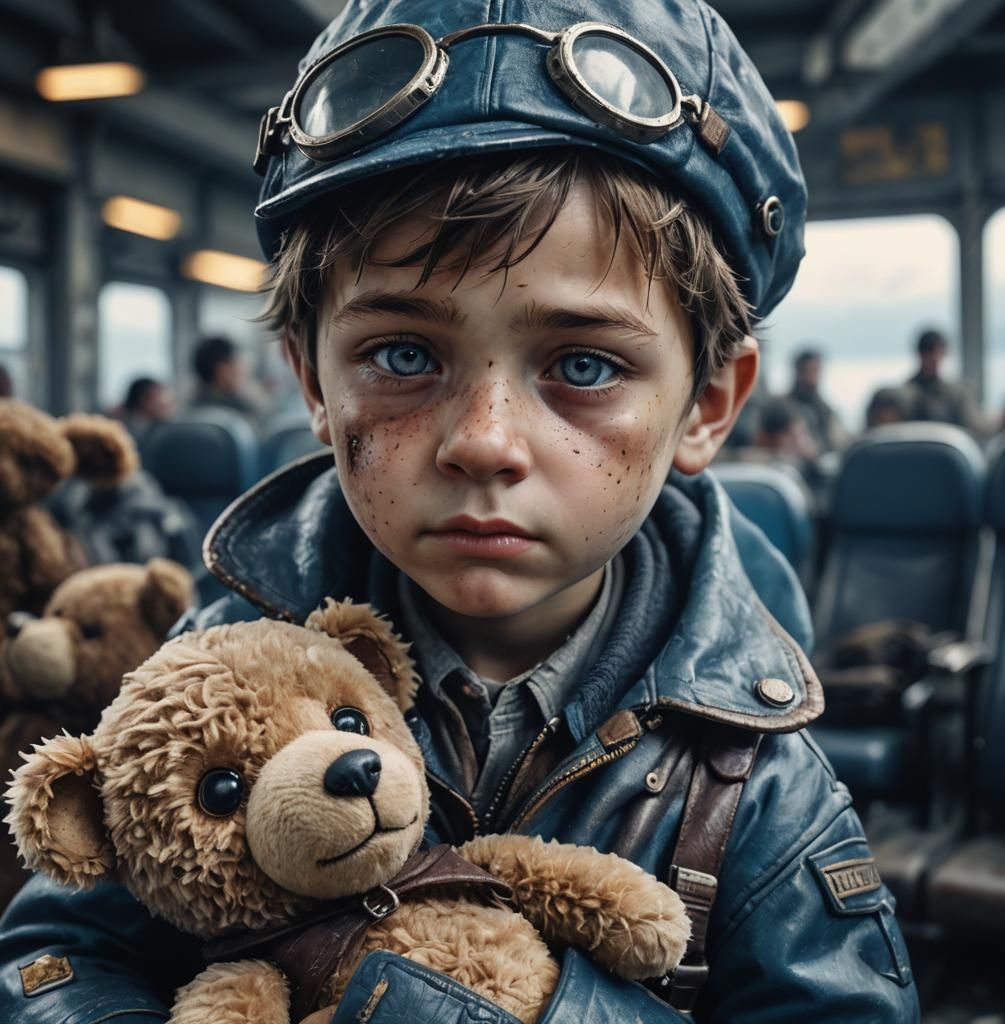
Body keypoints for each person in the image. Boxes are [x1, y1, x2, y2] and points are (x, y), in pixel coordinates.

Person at [0, 3, 918, 1023]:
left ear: (705, 405)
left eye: (582, 365)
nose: (483, 439)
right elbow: (60, 950)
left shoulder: (747, 774)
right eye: (403, 355)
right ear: (314, 380)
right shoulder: (219, 662)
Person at [903, 328, 986, 433]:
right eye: (930, 353)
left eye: (939, 353)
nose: (935, 358)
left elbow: (976, 425)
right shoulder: (908, 394)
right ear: (921, 354)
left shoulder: (957, 394)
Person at [787, 348, 848, 452]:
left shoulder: (825, 409)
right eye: (809, 370)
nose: (813, 376)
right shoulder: (783, 407)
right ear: (798, 371)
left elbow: (840, 440)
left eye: (816, 370)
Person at [190, 334, 262, 417]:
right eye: (239, 362)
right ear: (224, 369)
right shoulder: (239, 412)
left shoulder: (192, 407)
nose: (245, 369)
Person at [119, 376, 176, 444]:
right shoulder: (128, 432)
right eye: (162, 397)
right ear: (145, 400)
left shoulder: (157, 428)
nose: (166, 404)